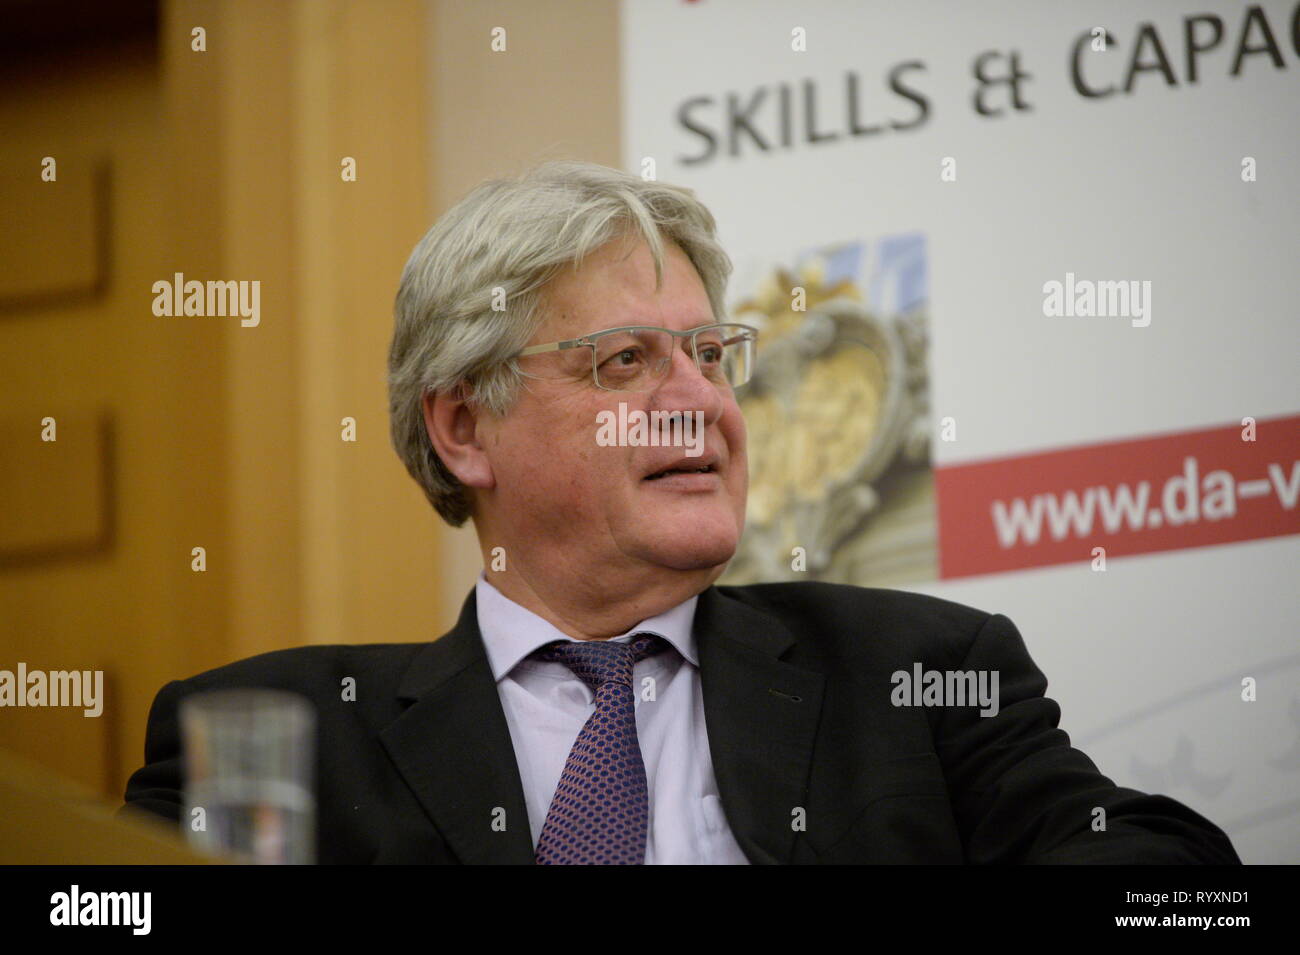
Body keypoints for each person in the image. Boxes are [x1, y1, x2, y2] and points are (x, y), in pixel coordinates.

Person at [122, 160, 1240, 864]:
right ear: (464, 428)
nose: (703, 400)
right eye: (624, 362)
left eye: (711, 355)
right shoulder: (277, 733)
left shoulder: (915, 673)